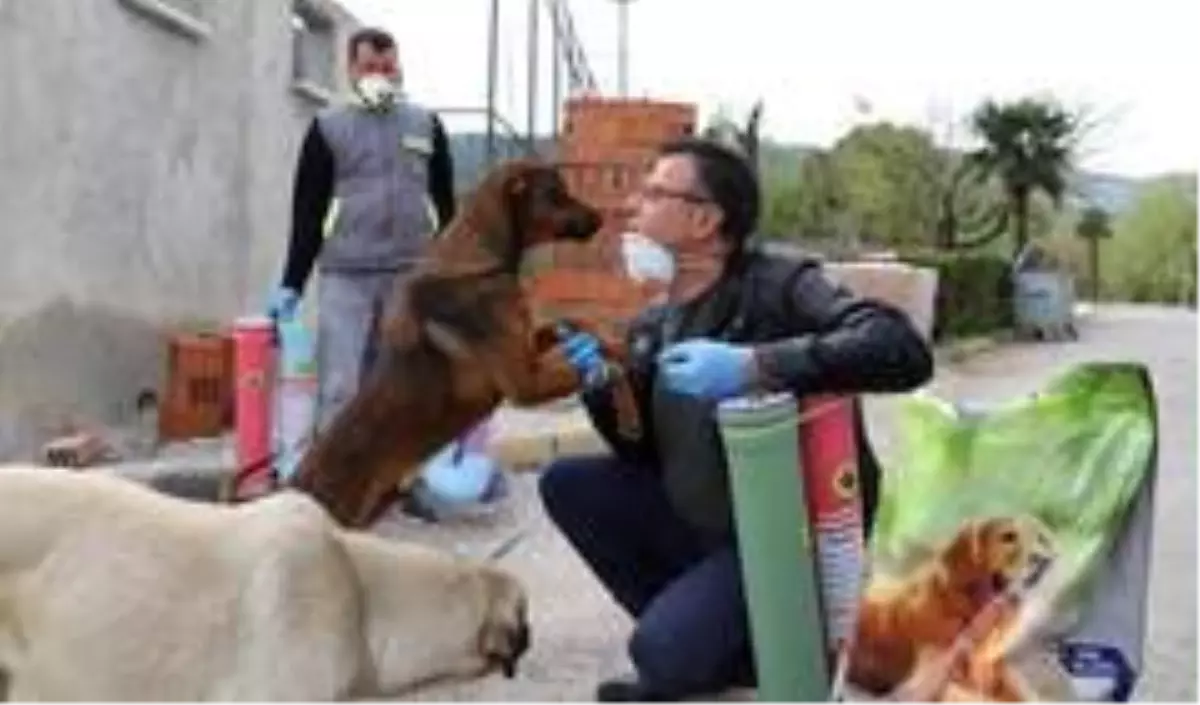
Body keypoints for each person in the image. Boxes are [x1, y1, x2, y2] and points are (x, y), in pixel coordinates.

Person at [542, 137, 935, 705]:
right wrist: (606, 393)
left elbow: (900, 349)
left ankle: (771, 652)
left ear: (704, 219)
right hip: (704, 526)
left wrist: (755, 365)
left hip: (783, 538)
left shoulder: (779, 286)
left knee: (659, 653)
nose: (632, 206)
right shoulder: (656, 321)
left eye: (654, 193)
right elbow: (643, 453)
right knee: (571, 483)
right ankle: (701, 648)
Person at [267, 27, 456, 431]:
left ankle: (394, 481)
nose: (381, 76)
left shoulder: (426, 125)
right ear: (351, 69)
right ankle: (336, 487)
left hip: (408, 276)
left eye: (388, 68)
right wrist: (292, 283)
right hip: (346, 276)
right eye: (370, 67)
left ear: (399, 68)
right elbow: (308, 212)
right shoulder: (328, 128)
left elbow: (447, 207)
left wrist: (450, 274)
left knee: (398, 384)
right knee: (341, 386)